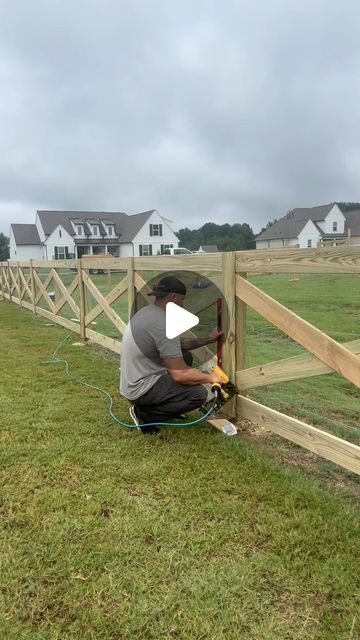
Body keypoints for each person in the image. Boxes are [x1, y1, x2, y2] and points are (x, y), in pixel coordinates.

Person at [120, 275, 223, 434]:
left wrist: (208, 340)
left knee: (185, 356)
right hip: (140, 388)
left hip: (131, 382)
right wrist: (210, 378)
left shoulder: (149, 312)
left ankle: (162, 404)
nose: (183, 304)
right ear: (173, 297)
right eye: (182, 300)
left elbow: (177, 344)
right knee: (197, 394)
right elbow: (180, 375)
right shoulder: (164, 324)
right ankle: (145, 414)